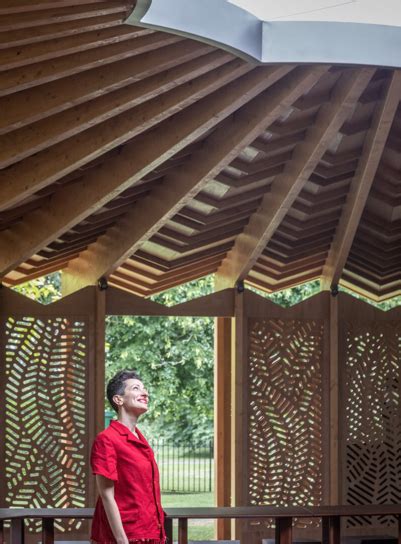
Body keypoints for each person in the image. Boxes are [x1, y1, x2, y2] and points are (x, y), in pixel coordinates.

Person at [90, 369, 166, 544]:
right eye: (136, 388)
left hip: (151, 533)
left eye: (144, 389)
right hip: (125, 536)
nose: (145, 393)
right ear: (119, 399)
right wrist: (122, 541)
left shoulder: (140, 439)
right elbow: (106, 495)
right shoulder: (107, 439)